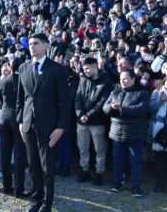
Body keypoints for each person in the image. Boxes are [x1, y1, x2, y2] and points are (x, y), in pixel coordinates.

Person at [17, 33, 69, 212]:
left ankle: (47, 202)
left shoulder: (57, 69)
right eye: (30, 43)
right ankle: (36, 198)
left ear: (46, 46)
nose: (32, 46)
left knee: (47, 166)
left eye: (36, 43)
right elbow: (21, 99)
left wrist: (61, 127)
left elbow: (64, 101)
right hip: (28, 124)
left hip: (48, 125)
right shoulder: (23, 68)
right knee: (32, 164)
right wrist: (20, 121)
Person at [103, 69, 149, 197]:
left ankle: (136, 187)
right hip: (117, 132)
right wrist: (111, 108)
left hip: (135, 132)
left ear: (133, 79)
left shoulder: (142, 93)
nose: (122, 81)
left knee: (135, 161)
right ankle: (116, 184)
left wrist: (122, 109)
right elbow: (105, 108)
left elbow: (142, 109)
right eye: (121, 78)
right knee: (117, 160)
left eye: (125, 78)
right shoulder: (115, 92)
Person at [75, 57, 113, 185]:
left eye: (87, 68)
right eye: (84, 68)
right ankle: (84, 170)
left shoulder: (106, 82)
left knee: (99, 149)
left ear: (95, 66)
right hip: (81, 121)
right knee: (83, 147)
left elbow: (102, 102)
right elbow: (78, 97)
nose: (85, 70)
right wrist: (80, 114)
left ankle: (99, 172)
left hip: (97, 121)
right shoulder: (82, 80)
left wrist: (89, 115)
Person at [0, 61, 28, 197]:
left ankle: (6, 186)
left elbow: (0, 99)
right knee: (19, 154)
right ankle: (19, 189)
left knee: (5, 153)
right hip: (17, 118)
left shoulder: (3, 81)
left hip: (3, 118)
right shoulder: (24, 80)